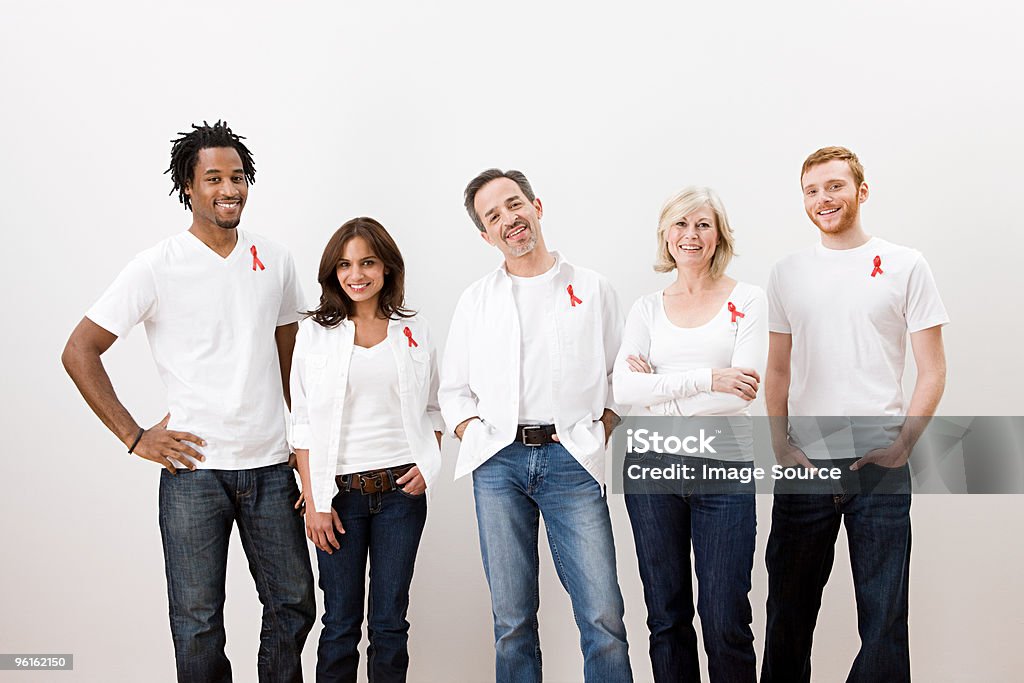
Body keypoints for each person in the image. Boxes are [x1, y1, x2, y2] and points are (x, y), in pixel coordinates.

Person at [61, 120, 315, 683]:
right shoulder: (156, 265)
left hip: (271, 466)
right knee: (197, 622)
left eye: (239, 176)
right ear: (189, 186)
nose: (231, 188)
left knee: (295, 604)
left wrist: (307, 451)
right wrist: (135, 436)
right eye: (215, 178)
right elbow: (80, 350)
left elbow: (290, 361)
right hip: (193, 472)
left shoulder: (275, 259)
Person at [761, 146, 949, 682]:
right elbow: (777, 372)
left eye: (835, 186)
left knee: (885, 621)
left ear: (861, 192)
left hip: (880, 460)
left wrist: (902, 446)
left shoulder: (906, 265)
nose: (824, 198)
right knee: (788, 619)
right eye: (812, 190)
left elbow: (932, 370)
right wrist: (781, 446)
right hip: (806, 461)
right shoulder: (787, 273)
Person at [439, 169, 633, 683]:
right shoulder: (476, 301)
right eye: (493, 216)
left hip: (572, 458)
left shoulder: (592, 289)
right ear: (485, 235)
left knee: (603, 614)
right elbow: (452, 391)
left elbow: (621, 375)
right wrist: (474, 435)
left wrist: (601, 428)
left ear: (537, 205)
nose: (509, 219)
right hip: (498, 464)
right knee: (512, 621)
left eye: (514, 204)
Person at [613, 186, 767, 682]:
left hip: (724, 469)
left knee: (726, 619)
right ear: (665, 233)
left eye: (702, 224)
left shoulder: (747, 300)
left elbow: (741, 393)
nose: (691, 235)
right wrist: (706, 378)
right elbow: (624, 388)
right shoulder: (646, 308)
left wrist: (657, 392)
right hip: (652, 472)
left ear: (718, 232)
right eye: (680, 224)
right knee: (666, 617)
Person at [290, 217, 443, 683]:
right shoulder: (316, 333)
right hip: (339, 498)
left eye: (367, 262)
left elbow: (435, 409)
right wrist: (314, 502)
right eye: (345, 265)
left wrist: (428, 463)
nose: (356, 274)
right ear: (333, 272)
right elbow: (301, 424)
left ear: (386, 268)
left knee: (390, 625)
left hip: (401, 495)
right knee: (338, 625)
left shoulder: (412, 331)